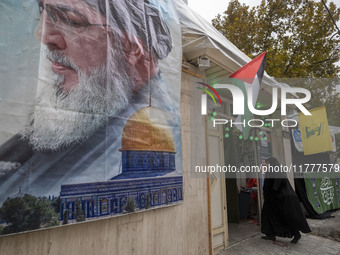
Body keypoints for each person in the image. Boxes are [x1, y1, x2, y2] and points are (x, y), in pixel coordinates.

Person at [0, 0, 180, 204]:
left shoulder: (142, 123)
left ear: (132, 46)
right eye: (43, 10)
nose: (41, 33)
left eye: (70, 19)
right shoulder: (60, 123)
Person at [261, 157, 311, 244]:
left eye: (267, 163)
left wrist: (267, 194)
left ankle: (296, 234)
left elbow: (273, 186)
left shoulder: (272, 171)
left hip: (278, 198)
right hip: (281, 198)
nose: (266, 165)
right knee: (278, 217)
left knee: (283, 217)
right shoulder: (279, 170)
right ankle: (271, 234)